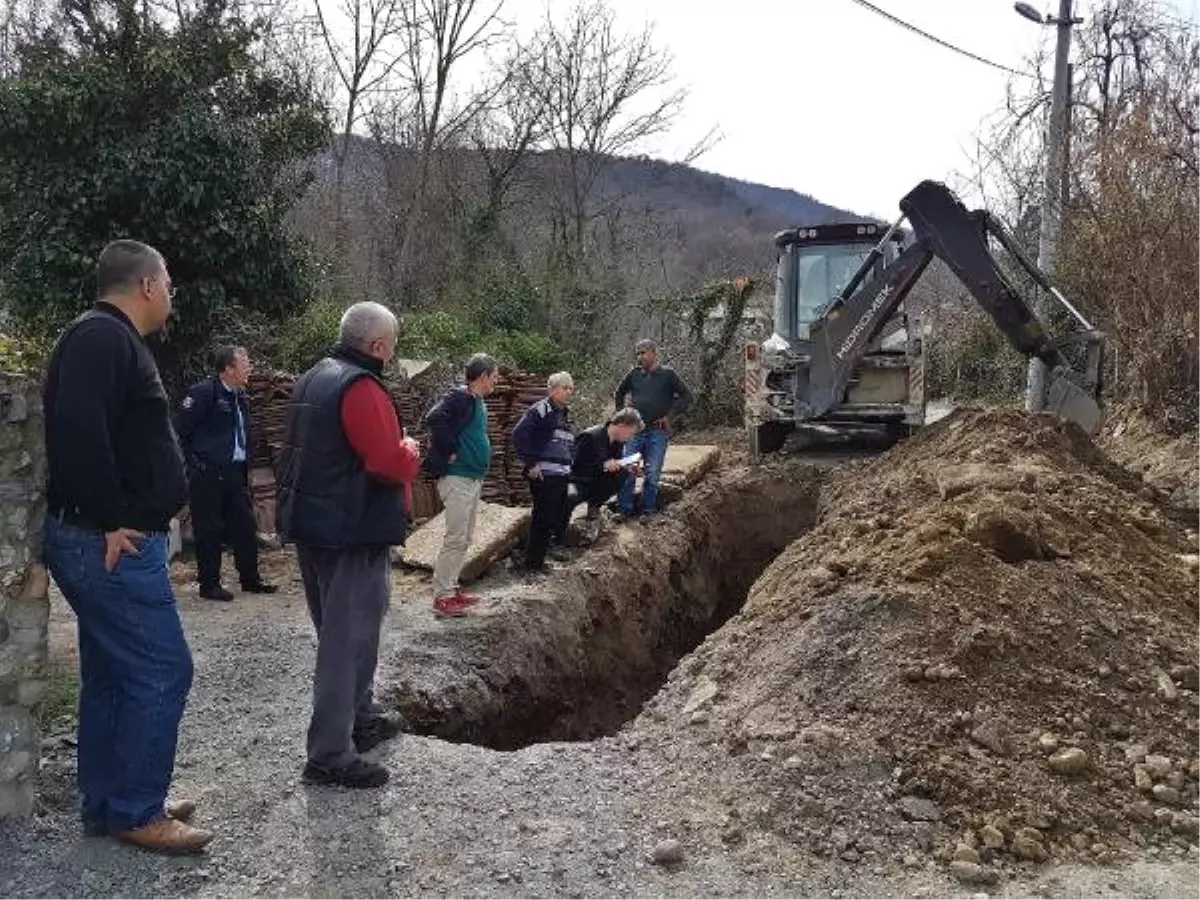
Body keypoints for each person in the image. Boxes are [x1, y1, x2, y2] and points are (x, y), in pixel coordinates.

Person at [41, 240, 211, 853]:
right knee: (164, 667)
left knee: (115, 672)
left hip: (102, 537)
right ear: (145, 285)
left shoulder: (107, 339)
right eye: (167, 283)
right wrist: (110, 519)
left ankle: (111, 802)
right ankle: (138, 810)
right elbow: (78, 432)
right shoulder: (100, 338)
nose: (170, 295)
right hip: (105, 541)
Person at [275, 301, 421, 789]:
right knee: (347, 641)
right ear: (378, 345)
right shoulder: (361, 387)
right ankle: (330, 753)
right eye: (393, 346)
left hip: (314, 524)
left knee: (343, 634)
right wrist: (410, 451)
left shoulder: (315, 377)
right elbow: (385, 462)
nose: (393, 354)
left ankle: (359, 718)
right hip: (350, 531)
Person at [175, 346, 277, 601]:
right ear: (228, 369)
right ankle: (209, 584)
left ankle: (250, 579)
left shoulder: (240, 396)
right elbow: (180, 429)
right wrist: (195, 461)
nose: (249, 368)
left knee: (244, 525)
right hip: (208, 472)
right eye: (244, 364)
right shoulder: (204, 393)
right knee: (208, 528)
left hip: (234, 472)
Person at [422, 353, 499, 616]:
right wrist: (450, 448)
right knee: (455, 537)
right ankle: (442, 597)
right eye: (494, 376)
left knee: (464, 538)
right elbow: (434, 418)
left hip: (472, 478)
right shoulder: (460, 396)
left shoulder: (477, 401)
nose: (496, 382)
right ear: (483, 376)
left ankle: (451, 588)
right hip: (458, 477)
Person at [612, 339, 693, 519]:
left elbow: (687, 396)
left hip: (658, 431)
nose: (640, 357)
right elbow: (619, 392)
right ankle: (624, 510)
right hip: (635, 431)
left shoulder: (668, 375)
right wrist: (622, 415)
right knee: (628, 469)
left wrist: (670, 416)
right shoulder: (634, 374)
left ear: (654, 353)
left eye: (643, 353)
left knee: (652, 472)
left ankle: (648, 511)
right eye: (638, 353)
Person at [511, 372, 575, 570]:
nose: (569, 392)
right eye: (565, 388)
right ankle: (533, 563)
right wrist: (531, 464)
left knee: (555, 516)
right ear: (552, 389)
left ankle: (538, 557)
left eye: (571, 388)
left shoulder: (563, 413)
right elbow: (519, 434)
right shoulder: (541, 409)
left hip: (562, 473)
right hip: (545, 474)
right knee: (543, 517)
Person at [570, 407, 644, 521]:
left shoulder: (618, 443)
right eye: (631, 433)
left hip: (597, 479)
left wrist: (628, 467)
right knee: (570, 497)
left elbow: (616, 465)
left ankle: (594, 505)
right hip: (578, 480)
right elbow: (576, 466)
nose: (630, 438)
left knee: (623, 473)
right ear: (622, 425)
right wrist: (603, 465)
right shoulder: (590, 436)